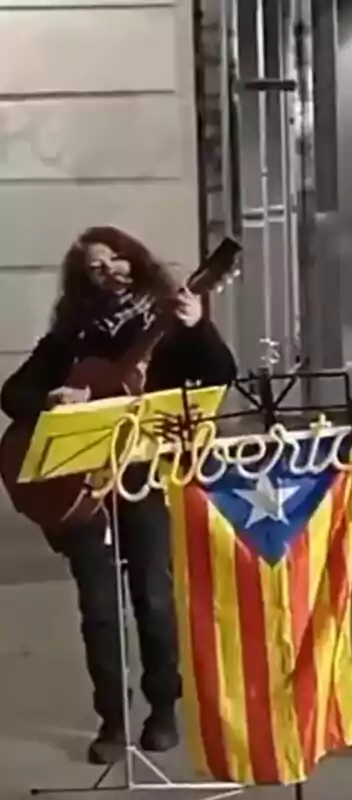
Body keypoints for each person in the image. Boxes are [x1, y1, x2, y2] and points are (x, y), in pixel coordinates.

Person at [0, 226, 238, 764]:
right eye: (96, 267)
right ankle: (111, 718)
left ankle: (162, 709)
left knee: (153, 595)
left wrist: (199, 328)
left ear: (136, 260)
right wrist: (55, 399)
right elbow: (12, 392)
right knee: (99, 608)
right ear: (84, 280)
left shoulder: (169, 320)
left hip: (141, 475)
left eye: (118, 260)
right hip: (82, 483)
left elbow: (220, 376)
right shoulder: (73, 335)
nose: (111, 272)